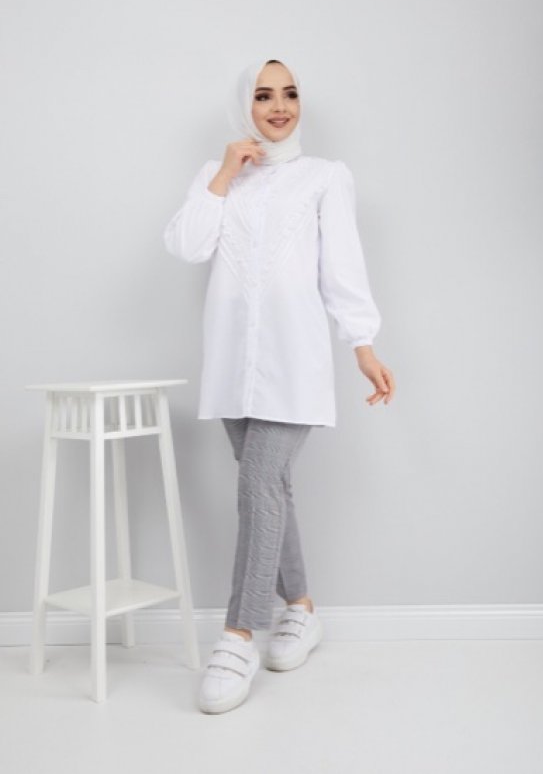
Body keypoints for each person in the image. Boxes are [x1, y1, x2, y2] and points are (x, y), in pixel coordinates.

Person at [163, 56, 395, 714]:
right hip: (232, 361)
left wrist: (363, 344)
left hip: (294, 361)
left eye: (290, 93)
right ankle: (302, 608)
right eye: (264, 95)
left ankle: (238, 636)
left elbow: (342, 269)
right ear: (245, 105)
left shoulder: (325, 177)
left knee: (257, 486)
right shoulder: (217, 176)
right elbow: (185, 245)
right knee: (272, 489)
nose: (280, 106)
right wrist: (223, 175)